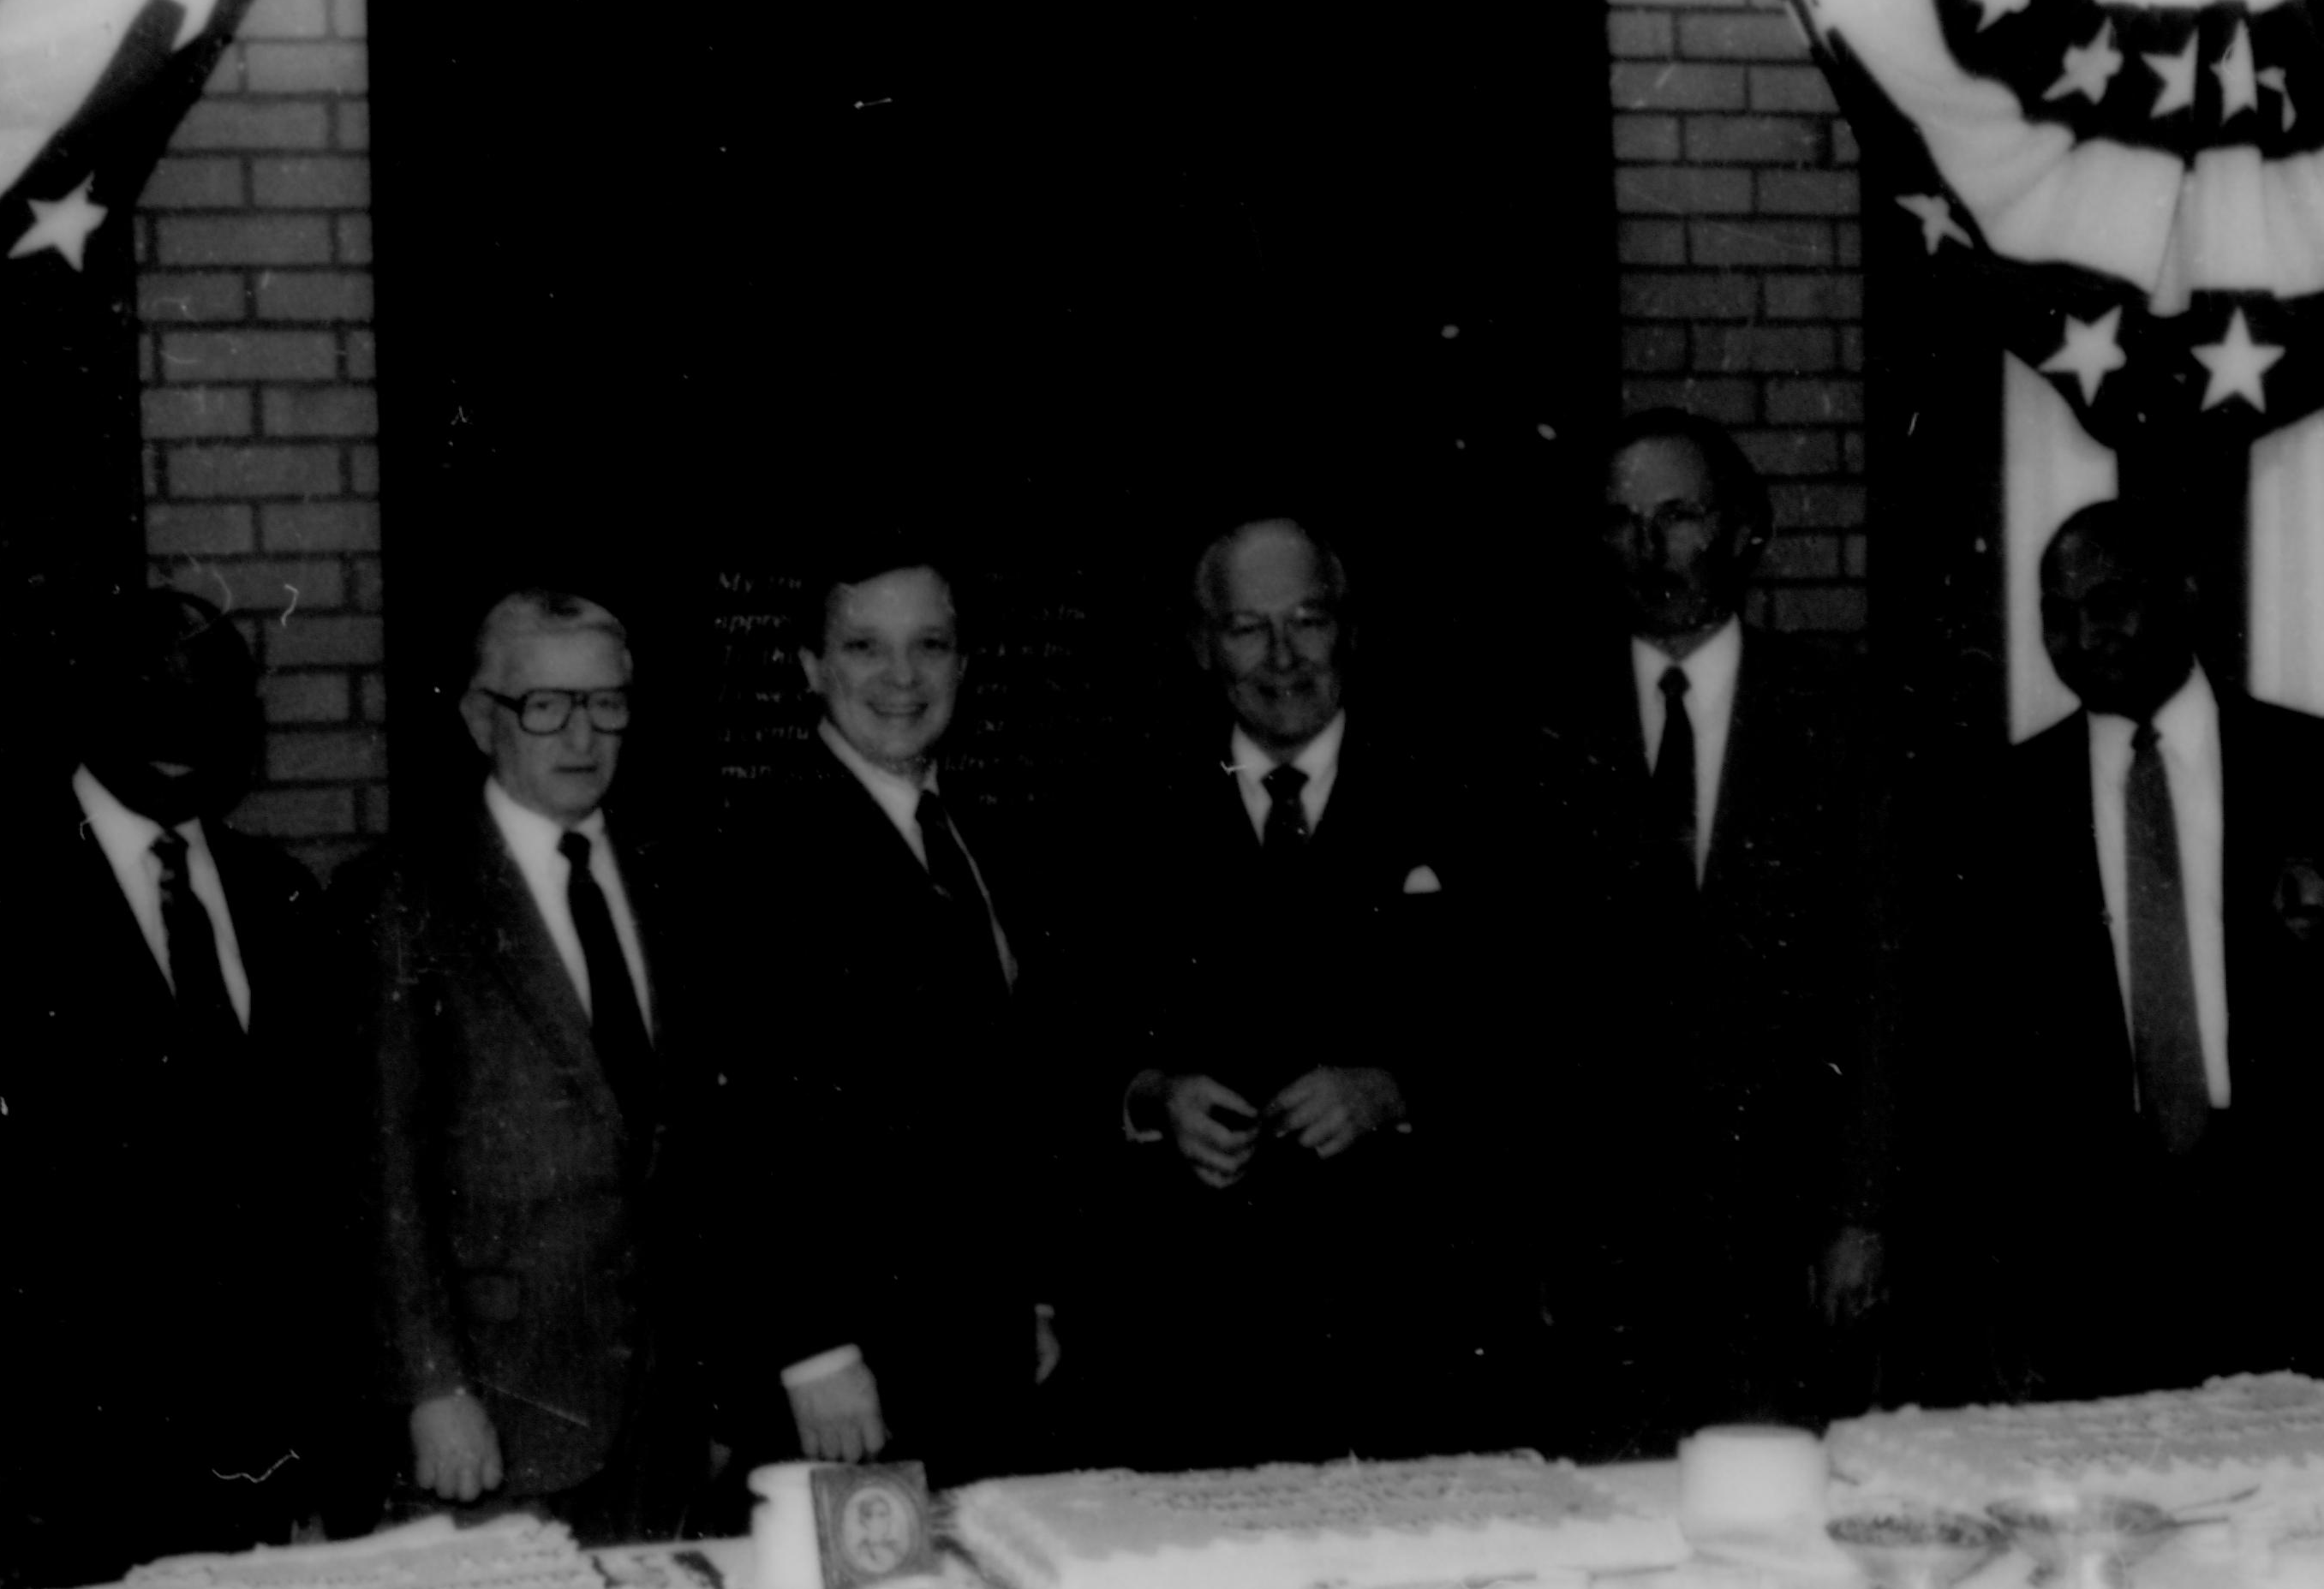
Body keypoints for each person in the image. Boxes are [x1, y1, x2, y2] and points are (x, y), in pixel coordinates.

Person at [0, 586, 346, 1589]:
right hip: (40, 1467)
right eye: (146, 699)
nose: (177, 732)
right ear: (83, 706)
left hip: (245, 1461)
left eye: (209, 704)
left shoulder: (281, 897)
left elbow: (312, 1186)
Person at [1936, 500, 2324, 1399]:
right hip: (2088, 1265)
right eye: (2055, 610)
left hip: (2302, 1250)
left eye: (2110, 600)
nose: (2081, 633)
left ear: (2185, 595)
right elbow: (1975, 1064)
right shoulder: (1996, 805)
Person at [1077, 516, 1488, 1469]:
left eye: (1305, 620)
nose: (1281, 657)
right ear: (1200, 644)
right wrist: (1153, 1097)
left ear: (1348, 628)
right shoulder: (1127, 803)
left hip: (1412, 1321)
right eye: (1245, 627)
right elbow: (1071, 1030)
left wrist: (1394, 1089)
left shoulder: (1462, 789)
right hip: (1195, 1335)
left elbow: (1529, 1021)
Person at [1526, 409, 1891, 1453]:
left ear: (1742, 531)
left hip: (1789, 1242)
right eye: (1624, 522)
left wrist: (1858, 1214)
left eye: (1678, 516)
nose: (1652, 549)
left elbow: (1879, 982)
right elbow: (1527, 1000)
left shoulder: (1837, 714)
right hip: (1610, 1250)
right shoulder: (1548, 726)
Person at [344, 588, 708, 1542]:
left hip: (662, 1405)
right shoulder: (405, 898)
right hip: (497, 1405)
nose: (579, 735)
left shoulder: (667, 873)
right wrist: (431, 1388)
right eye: (544, 705)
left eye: (605, 703)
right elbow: (385, 1170)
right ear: (479, 719)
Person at [712, 558, 1061, 1490]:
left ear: (963, 665)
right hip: (845, 1383)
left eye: (929, 646)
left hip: (975, 1350)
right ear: (808, 668)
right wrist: (811, 1349)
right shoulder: (761, 850)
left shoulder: (975, 834)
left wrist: (1023, 1297)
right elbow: (748, 1124)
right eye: (865, 648)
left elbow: (998, 1094)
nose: (901, 679)